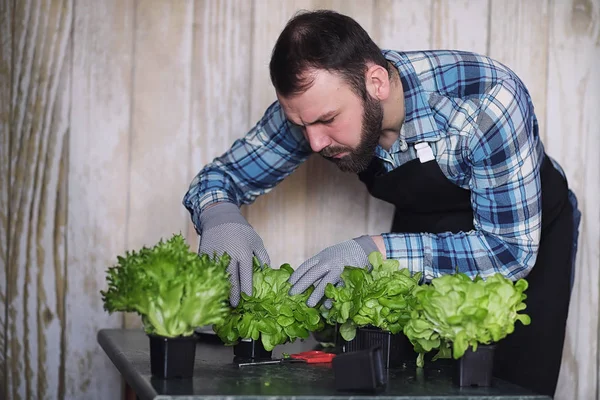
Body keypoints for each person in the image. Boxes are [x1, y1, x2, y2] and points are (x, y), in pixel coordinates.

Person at [182, 9, 580, 397]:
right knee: (406, 383)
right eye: (302, 126)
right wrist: (219, 214)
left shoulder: (486, 101)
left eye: (328, 120)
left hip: (522, 240)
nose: (315, 143)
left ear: (376, 83)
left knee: (505, 387)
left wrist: (373, 250)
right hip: (423, 230)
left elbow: (508, 252)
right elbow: (222, 176)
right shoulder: (314, 103)